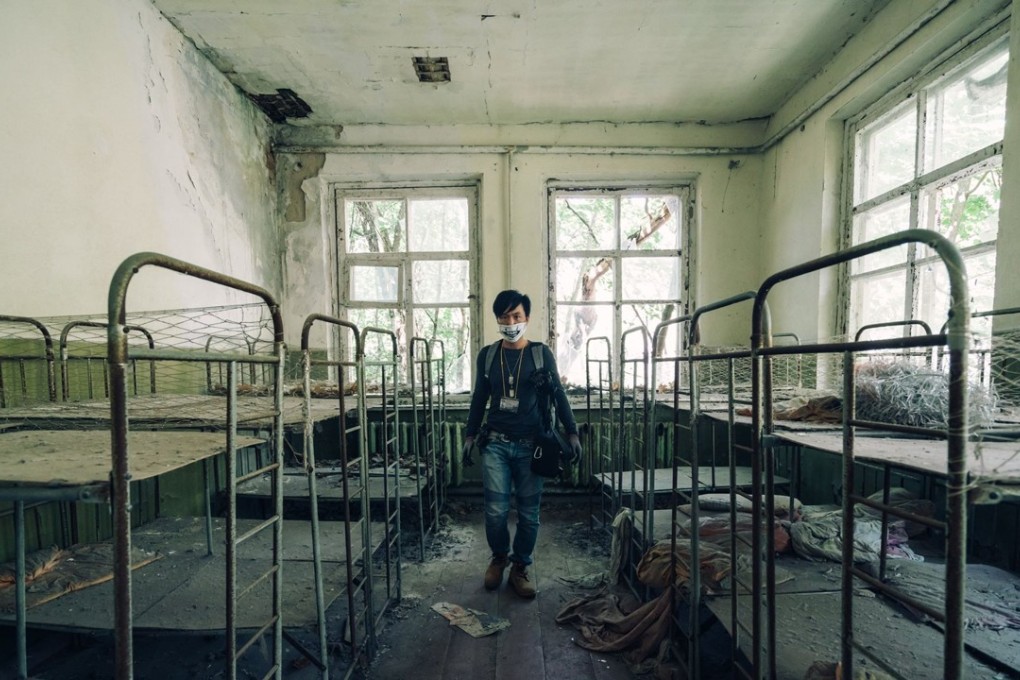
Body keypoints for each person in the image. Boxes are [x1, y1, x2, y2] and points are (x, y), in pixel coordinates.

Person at [461, 289, 582, 599]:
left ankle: (520, 566)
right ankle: (499, 557)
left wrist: (572, 432)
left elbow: (559, 395)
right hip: (496, 445)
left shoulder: (541, 354)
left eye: (516, 316)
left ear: (526, 318)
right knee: (495, 512)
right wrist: (470, 435)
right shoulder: (488, 355)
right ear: (497, 319)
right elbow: (479, 398)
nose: (510, 322)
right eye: (504, 316)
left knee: (529, 514)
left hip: (533, 446)